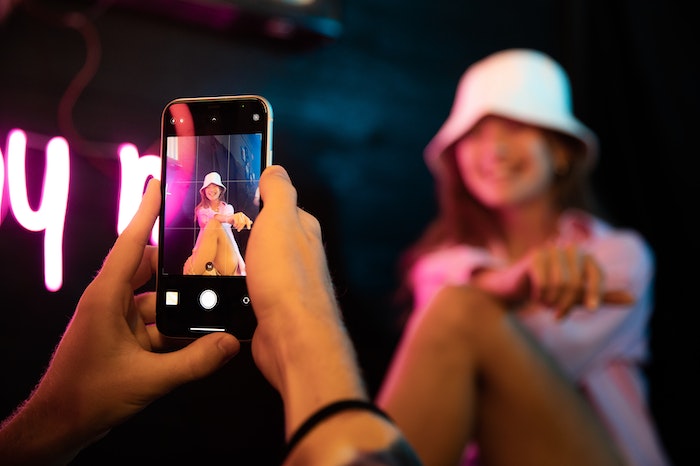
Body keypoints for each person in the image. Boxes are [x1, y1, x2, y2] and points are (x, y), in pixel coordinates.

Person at [0, 166, 422, 466]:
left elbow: (227, 222)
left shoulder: (219, 211)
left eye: (219, 189)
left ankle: (223, 274)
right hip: (215, 251)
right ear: (207, 192)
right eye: (213, 190)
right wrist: (306, 324)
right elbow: (214, 222)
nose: (216, 193)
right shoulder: (207, 212)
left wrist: (52, 426)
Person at [375, 49, 671, 466]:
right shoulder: (439, 265)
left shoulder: (618, 257)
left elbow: (533, 366)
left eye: (515, 127)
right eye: (475, 133)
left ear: (562, 150)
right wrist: (513, 283)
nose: (494, 149)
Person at [183, 171, 252, 276]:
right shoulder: (201, 210)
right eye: (208, 187)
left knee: (215, 224)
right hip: (206, 257)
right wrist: (229, 218)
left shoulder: (228, 208)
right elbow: (213, 218)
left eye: (215, 186)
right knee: (213, 224)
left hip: (226, 257)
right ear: (204, 191)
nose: (212, 190)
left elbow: (226, 220)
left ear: (221, 190)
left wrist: (234, 219)